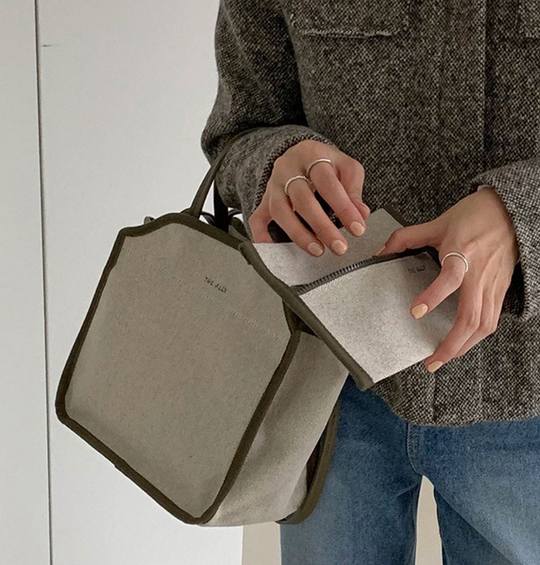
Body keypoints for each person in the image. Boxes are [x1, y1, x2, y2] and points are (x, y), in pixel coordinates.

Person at [200, 0, 540, 562]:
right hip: (328, 383)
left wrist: (523, 214)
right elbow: (237, 133)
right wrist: (276, 161)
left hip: (525, 389)